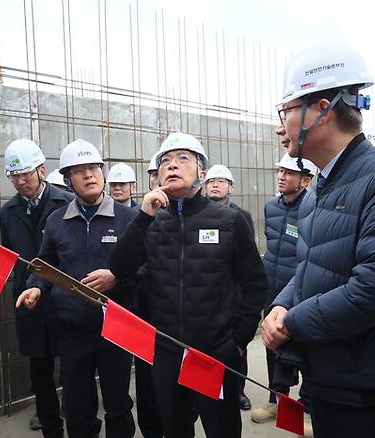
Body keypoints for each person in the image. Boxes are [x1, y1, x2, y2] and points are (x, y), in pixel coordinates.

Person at [261, 42, 375, 438]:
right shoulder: (320, 188)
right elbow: (312, 268)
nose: (279, 126)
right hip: (335, 387)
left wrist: (292, 322)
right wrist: (282, 304)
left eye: (286, 111)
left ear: (322, 109)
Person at [109, 132, 267, 438]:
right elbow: (120, 268)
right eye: (165, 161)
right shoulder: (152, 222)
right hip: (168, 353)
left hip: (213, 353)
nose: (172, 165)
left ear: (202, 173)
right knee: (176, 429)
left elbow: (255, 283)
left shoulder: (229, 221)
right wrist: (143, 216)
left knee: (222, 429)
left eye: (183, 158)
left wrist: (237, 340)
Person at [16, 139, 136, 438]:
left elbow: (146, 266)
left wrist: (116, 277)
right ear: (68, 180)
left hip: (116, 328)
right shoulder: (57, 221)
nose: (89, 175)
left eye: (93, 168)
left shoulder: (129, 219)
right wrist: (36, 287)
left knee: (118, 405)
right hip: (72, 330)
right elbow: (45, 262)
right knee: (79, 409)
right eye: (79, 171)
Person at [0, 139, 73, 438]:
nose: (20, 181)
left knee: (71, 363)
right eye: (14, 176)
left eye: (25, 175)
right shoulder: (9, 212)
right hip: (28, 300)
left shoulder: (66, 202)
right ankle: (49, 424)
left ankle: (77, 414)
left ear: (42, 171)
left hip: (63, 298)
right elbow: (10, 255)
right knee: (39, 368)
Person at [251, 150, 315, 425]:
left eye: (288, 172)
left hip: (303, 291)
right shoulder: (271, 207)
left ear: (304, 180)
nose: (281, 176)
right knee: (272, 346)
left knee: (308, 350)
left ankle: (309, 408)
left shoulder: (314, 207)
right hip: (273, 289)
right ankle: (277, 401)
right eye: (280, 171)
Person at [204, 164, 254, 411]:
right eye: (211, 181)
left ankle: (238, 391)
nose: (215, 184)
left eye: (221, 181)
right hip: (208, 292)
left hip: (234, 290)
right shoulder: (198, 215)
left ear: (230, 187)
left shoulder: (241, 216)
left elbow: (249, 261)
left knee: (237, 348)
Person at [134, 151, 164, 438]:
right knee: (146, 384)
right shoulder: (138, 218)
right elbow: (125, 264)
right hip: (144, 315)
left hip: (182, 322)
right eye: (155, 175)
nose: (160, 179)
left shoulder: (197, 217)